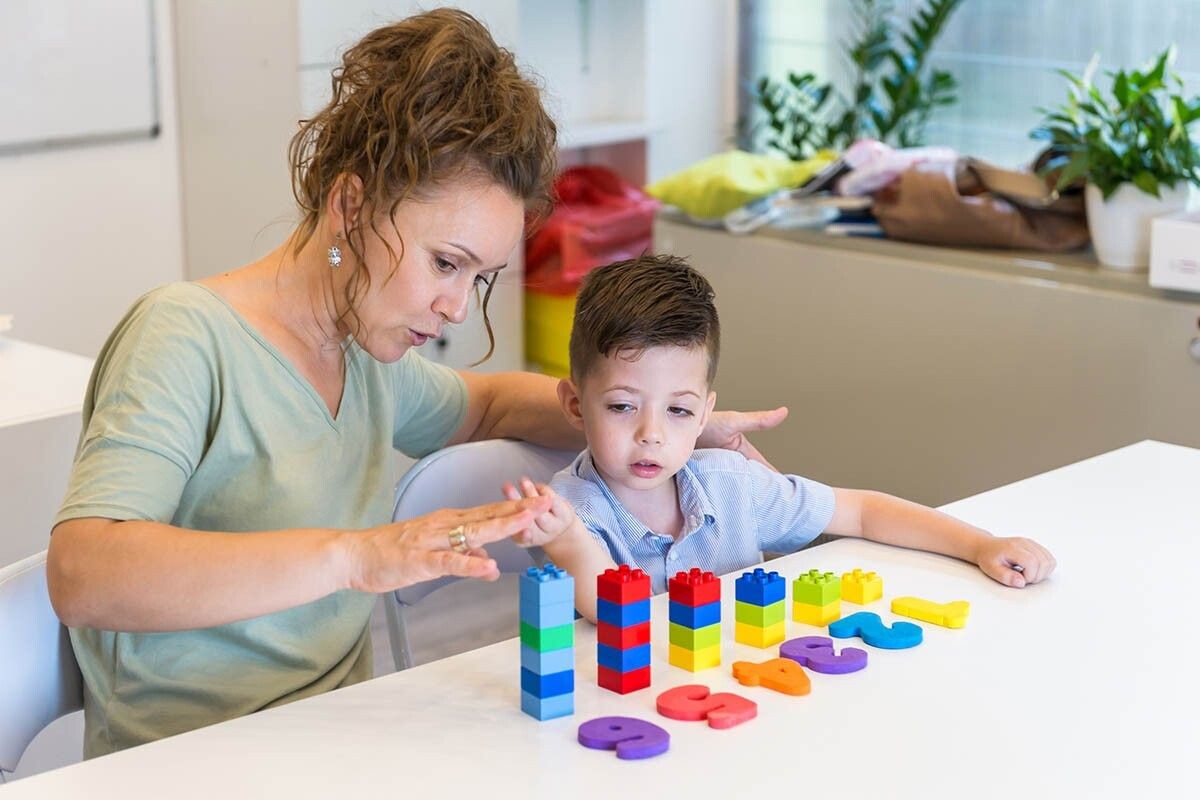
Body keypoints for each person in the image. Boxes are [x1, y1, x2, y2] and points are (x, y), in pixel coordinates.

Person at [46, 10, 780, 757]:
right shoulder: (183, 335)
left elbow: (490, 405)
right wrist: (356, 556)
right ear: (350, 207)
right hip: (189, 758)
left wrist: (652, 422)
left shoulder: (366, 357)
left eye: (478, 277)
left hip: (343, 738)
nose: (457, 307)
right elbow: (84, 571)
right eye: (445, 263)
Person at [503, 254, 1058, 621]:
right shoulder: (570, 510)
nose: (651, 435)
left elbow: (863, 512)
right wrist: (566, 542)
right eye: (623, 406)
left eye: (679, 410)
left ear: (705, 414)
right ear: (575, 405)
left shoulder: (730, 484)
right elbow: (610, 609)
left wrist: (980, 545)